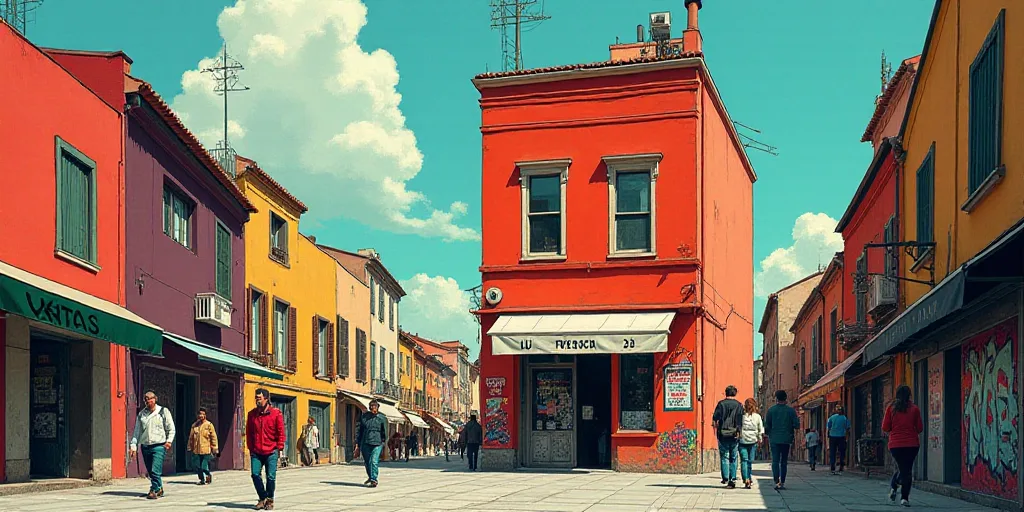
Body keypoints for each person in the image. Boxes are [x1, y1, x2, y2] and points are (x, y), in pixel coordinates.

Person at [129, 390, 175, 500]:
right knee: (150, 471)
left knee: (155, 470)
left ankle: (154, 489)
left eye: (151, 398)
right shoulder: (142, 414)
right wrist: (133, 446)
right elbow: (137, 431)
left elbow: (171, 428)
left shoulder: (163, 411)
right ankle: (159, 488)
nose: (148, 401)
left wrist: (169, 441)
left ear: (155, 399)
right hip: (145, 446)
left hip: (159, 445)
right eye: (146, 399)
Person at [883, 385, 923, 508]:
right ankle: (904, 498)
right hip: (912, 445)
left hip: (896, 445)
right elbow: (920, 428)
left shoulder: (891, 409)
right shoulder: (915, 409)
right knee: (907, 470)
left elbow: (885, 427)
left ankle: (894, 487)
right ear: (909, 395)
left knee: (902, 469)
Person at [246, 388, 285, 510]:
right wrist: (251, 448)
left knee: (270, 477)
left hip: (271, 451)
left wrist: (280, 447)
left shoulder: (276, 414)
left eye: (259, 398)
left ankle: (270, 500)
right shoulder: (252, 414)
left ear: (266, 399)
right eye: (256, 398)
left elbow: (281, 432)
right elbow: (249, 433)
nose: (257, 400)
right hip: (256, 451)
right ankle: (263, 497)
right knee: (255, 474)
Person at [764, 389, 800, 490]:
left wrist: (769, 433)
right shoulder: (791, 411)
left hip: (774, 439)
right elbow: (796, 425)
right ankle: (782, 482)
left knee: (775, 461)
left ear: (776, 398)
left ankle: (777, 481)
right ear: (786, 398)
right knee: (783, 461)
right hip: (786, 439)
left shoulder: (771, 410)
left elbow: (767, 426)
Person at [712, 385, 744, 488]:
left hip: (722, 433)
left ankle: (725, 477)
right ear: (735, 393)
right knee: (733, 457)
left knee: (724, 456)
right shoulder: (739, 405)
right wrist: (739, 431)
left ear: (726, 393)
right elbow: (740, 420)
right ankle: (733, 478)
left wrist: (716, 427)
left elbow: (715, 418)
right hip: (735, 434)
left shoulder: (721, 404)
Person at [355, 400, 388, 487]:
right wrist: (357, 444)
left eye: (375, 406)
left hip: (377, 443)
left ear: (377, 407)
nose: (373, 408)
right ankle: (371, 476)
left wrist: (384, 443)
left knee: (373, 461)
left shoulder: (382, 418)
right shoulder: (364, 417)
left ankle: (374, 479)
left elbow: (384, 432)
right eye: (371, 406)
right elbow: (360, 431)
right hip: (365, 442)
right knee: (367, 462)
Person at [187, 408, 219, 485]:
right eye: (199, 414)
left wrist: (215, 448)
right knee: (198, 466)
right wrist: (189, 446)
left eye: (202, 414)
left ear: (205, 415)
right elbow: (191, 438)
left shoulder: (209, 425)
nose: (200, 416)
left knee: (204, 466)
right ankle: (202, 479)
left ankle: (208, 476)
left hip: (206, 450)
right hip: (196, 450)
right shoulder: (194, 425)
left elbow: (213, 437)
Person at [738, 398, 764, 489]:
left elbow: (738, 427)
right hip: (753, 441)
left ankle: (746, 479)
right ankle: (749, 477)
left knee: (744, 461)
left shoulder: (741, 416)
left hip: (742, 440)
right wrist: (760, 440)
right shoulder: (757, 417)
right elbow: (760, 429)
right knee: (749, 461)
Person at [827, 405, 851, 475]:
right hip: (841, 436)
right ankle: (841, 465)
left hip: (833, 436)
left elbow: (829, 426)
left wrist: (828, 434)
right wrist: (847, 436)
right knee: (842, 452)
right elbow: (848, 428)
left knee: (833, 451)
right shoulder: (845, 418)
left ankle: (832, 466)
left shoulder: (831, 417)